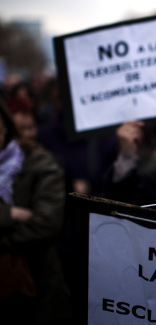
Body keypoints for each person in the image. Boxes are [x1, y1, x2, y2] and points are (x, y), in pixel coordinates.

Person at [0, 101, 71, 323]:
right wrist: (9, 214)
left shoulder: (39, 163)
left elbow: (45, 224)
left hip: (37, 284)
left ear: (5, 127)